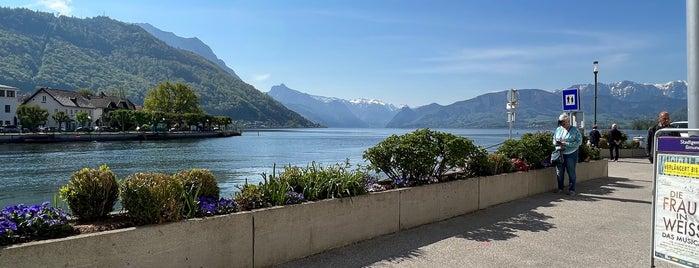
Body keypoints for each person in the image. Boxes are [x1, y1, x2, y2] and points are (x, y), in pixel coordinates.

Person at [552, 113, 582, 196]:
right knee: (559, 172)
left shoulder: (575, 130)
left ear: (568, 121)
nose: (562, 124)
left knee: (571, 172)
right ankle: (560, 188)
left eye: (563, 123)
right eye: (560, 122)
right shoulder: (558, 129)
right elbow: (554, 139)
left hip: (571, 153)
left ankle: (572, 189)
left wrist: (566, 144)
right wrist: (556, 144)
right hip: (559, 153)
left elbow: (579, 142)